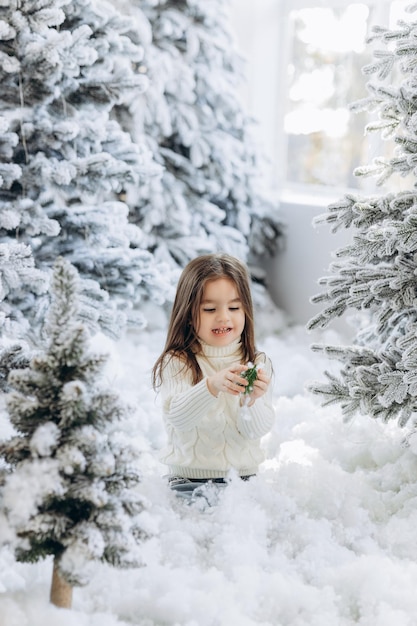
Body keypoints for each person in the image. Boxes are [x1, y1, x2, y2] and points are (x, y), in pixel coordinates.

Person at [152, 253, 275, 492]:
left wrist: (251, 402)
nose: (223, 317)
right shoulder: (178, 361)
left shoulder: (256, 362)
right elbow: (178, 418)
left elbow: (257, 430)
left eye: (234, 307)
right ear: (188, 314)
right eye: (209, 309)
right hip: (188, 482)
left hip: (245, 481)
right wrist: (211, 386)